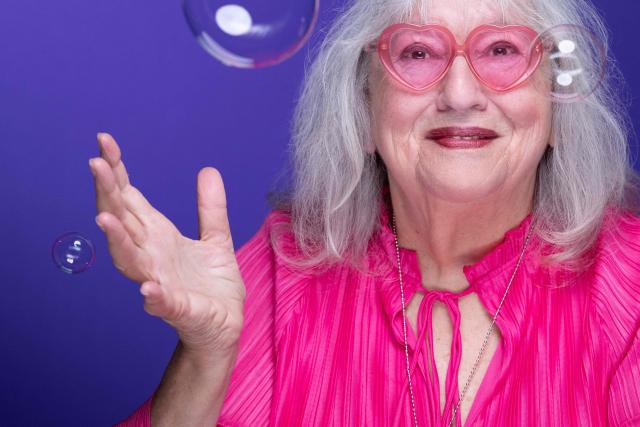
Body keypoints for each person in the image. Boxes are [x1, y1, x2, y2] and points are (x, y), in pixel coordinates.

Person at [91, 0, 640, 425]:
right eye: (418, 53)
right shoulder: (290, 268)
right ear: (364, 104)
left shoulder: (629, 284)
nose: (459, 93)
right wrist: (206, 355)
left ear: (556, 94)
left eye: (501, 50)